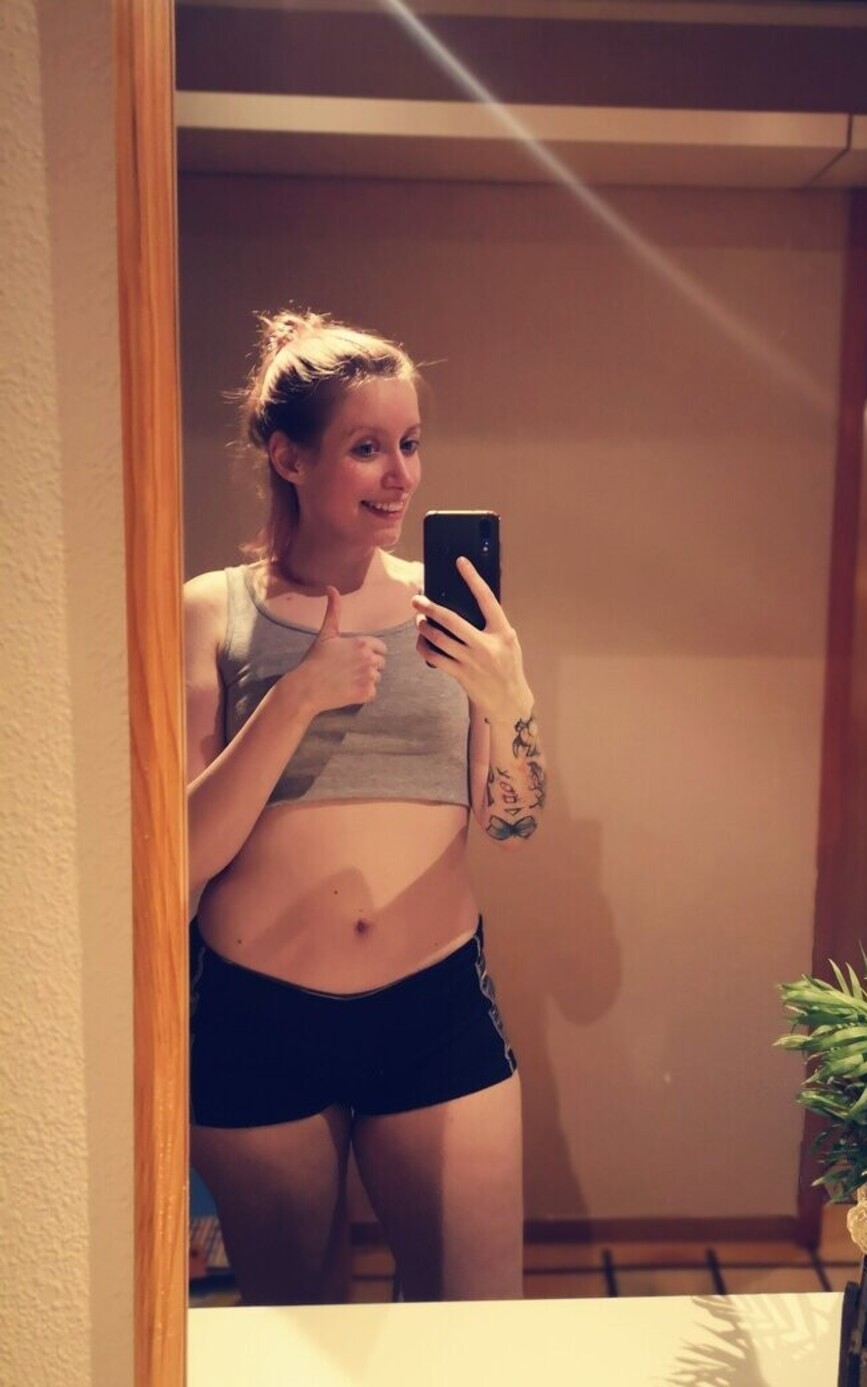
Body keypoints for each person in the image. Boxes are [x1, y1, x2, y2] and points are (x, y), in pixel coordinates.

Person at [184, 309, 546, 1306]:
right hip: (256, 1016)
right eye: (367, 447)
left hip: (435, 1010)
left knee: (475, 1342)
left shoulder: (451, 610)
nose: (401, 475)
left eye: (411, 444)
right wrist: (296, 696)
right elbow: (177, 858)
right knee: (302, 1341)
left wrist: (510, 701)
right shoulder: (213, 607)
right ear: (288, 456)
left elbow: (512, 824)